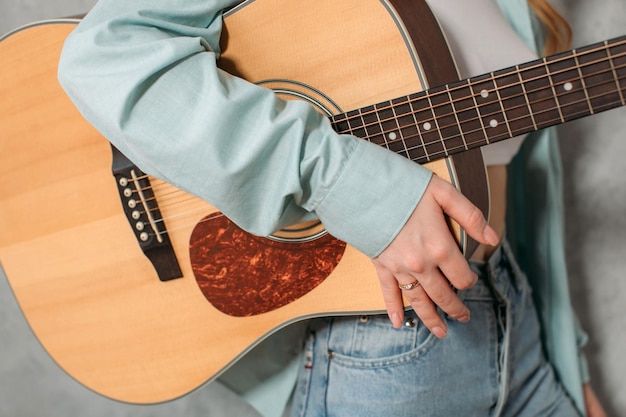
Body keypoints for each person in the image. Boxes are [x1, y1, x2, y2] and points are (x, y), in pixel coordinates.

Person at [57, 0, 607, 415]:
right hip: (383, 342)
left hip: (510, 316)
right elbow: (108, 56)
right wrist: (352, 186)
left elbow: (508, 181)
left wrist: (565, 358)